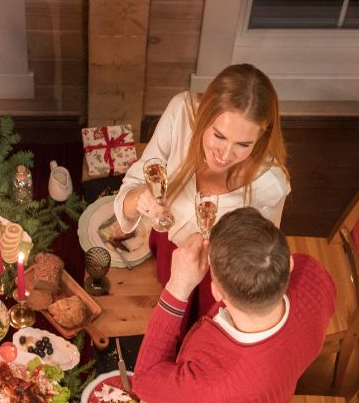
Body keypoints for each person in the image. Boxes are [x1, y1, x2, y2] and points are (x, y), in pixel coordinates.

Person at [130, 208, 335, 403]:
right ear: (289, 264)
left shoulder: (214, 381)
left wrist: (177, 288)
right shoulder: (311, 275)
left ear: (215, 292)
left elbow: (145, 382)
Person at [113, 63, 290, 314]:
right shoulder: (181, 112)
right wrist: (138, 198)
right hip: (167, 249)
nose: (225, 155)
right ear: (204, 115)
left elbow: (261, 257)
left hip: (215, 279)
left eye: (243, 144)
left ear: (262, 137)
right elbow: (133, 186)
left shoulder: (270, 185)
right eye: (219, 136)